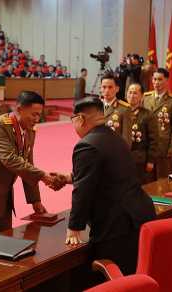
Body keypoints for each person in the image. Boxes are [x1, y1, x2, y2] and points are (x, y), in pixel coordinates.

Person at [56, 97, 156, 275]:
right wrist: (69, 177)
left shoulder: (86, 145)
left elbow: (83, 191)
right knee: (135, 272)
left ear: (81, 119)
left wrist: (74, 227)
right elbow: (106, 173)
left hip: (116, 223)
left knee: (114, 277)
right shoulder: (114, 137)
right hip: (138, 214)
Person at [0, 91, 60, 242]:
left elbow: (27, 165)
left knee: (4, 246)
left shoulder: (30, 131)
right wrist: (43, 176)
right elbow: (10, 159)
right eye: (33, 114)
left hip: (4, 199)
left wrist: (35, 200)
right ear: (19, 109)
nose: (37, 119)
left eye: (39, 115)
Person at [143, 68, 172, 177]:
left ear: (167, 80)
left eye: (160, 79)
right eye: (154, 79)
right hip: (147, 144)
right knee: (148, 179)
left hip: (164, 145)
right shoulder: (146, 98)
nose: (156, 82)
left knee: (162, 178)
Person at [126, 83, 159, 184]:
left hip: (139, 159)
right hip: (123, 158)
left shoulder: (148, 115)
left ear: (141, 96)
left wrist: (151, 160)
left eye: (135, 93)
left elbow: (154, 139)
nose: (132, 96)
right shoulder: (121, 112)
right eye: (130, 92)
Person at [101, 73, 132, 147]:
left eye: (110, 87)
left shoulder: (124, 109)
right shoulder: (95, 106)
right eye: (104, 87)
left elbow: (126, 139)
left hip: (114, 150)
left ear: (117, 89)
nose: (106, 90)